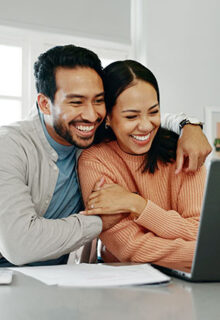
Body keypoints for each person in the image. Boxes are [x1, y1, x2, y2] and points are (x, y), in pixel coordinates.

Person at [0, 45, 210, 267]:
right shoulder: (12, 146)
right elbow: (18, 245)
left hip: (61, 275)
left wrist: (190, 125)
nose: (92, 116)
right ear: (44, 104)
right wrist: (98, 222)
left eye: (98, 100)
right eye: (76, 101)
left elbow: (138, 114)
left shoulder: (89, 136)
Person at [78, 60, 207, 272]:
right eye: (131, 116)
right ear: (108, 117)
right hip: (126, 287)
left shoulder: (184, 152)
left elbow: (200, 231)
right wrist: (200, 254)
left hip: (191, 282)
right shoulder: (94, 161)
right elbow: (130, 248)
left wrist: (136, 204)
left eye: (154, 112)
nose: (146, 125)